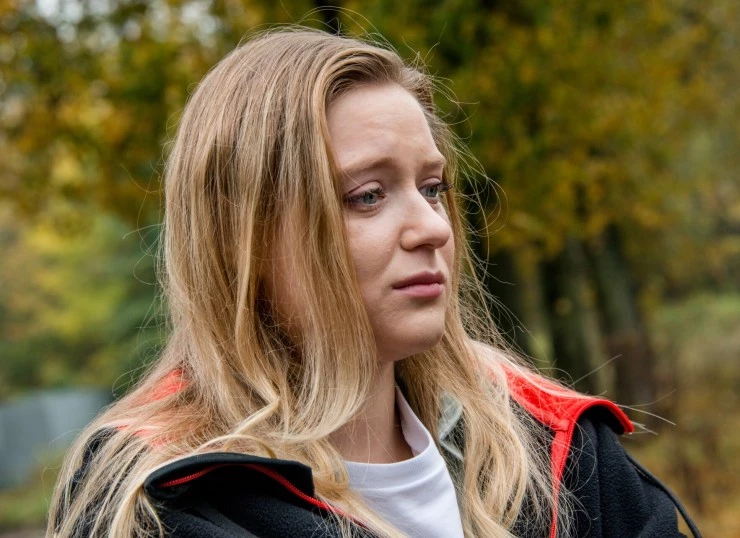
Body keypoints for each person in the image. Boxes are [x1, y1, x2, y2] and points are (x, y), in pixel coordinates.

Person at [49, 28, 700, 538]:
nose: (433, 228)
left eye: (432, 187)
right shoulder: (163, 501)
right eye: (367, 196)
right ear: (242, 240)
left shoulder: (551, 442)